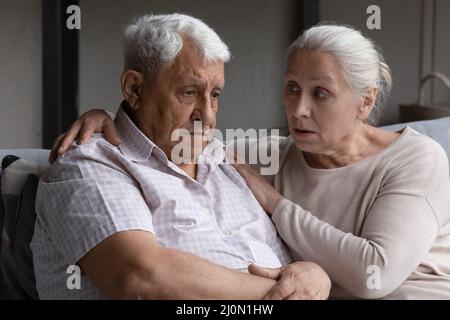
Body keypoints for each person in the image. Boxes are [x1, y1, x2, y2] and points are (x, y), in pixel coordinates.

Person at [62, 24, 450, 299]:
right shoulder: (270, 153)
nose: (298, 110)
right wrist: (103, 118)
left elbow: (374, 275)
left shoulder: (415, 158)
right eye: (292, 89)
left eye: (321, 94)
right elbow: (163, 139)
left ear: (365, 101)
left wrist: (273, 201)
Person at [31, 13, 331, 300]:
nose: (208, 116)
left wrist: (316, 275)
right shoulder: (91, 163)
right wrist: (288, 294)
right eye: (189, 93)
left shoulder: (221, 157)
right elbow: (140, 279)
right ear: (134, 88)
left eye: (215, 95)